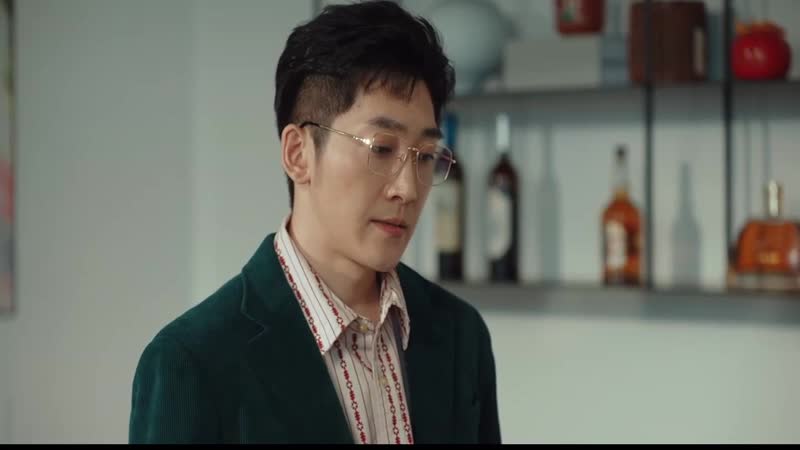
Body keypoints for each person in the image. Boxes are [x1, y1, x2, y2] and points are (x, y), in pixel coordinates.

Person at [128, 0, 500, 444]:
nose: (408, 188)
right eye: (382, 149)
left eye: (424, 156)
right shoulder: (191, 362)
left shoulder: (461, 336)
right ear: (298, 154)